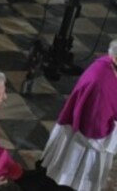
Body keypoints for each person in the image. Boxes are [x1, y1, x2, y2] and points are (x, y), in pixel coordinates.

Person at [39, 40, 117, 190]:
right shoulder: (101, 85)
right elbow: (95, 131)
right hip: (86, 144)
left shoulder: (107, 62)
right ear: (115, 58)